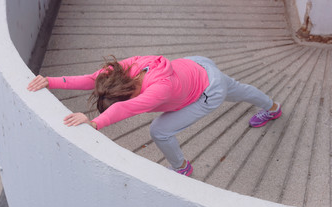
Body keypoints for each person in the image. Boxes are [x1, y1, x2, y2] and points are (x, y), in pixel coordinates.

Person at [27, 55, 282, 176]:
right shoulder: (125, 69)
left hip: (207, 91)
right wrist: (49, 81)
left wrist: (93, 122)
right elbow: (90, 79)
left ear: (128, 92)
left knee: (160, 131)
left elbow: (123, 109)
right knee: (238, 89)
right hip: (199, 65)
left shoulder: (158, 90)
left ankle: (182, 168)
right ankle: (273, 108)